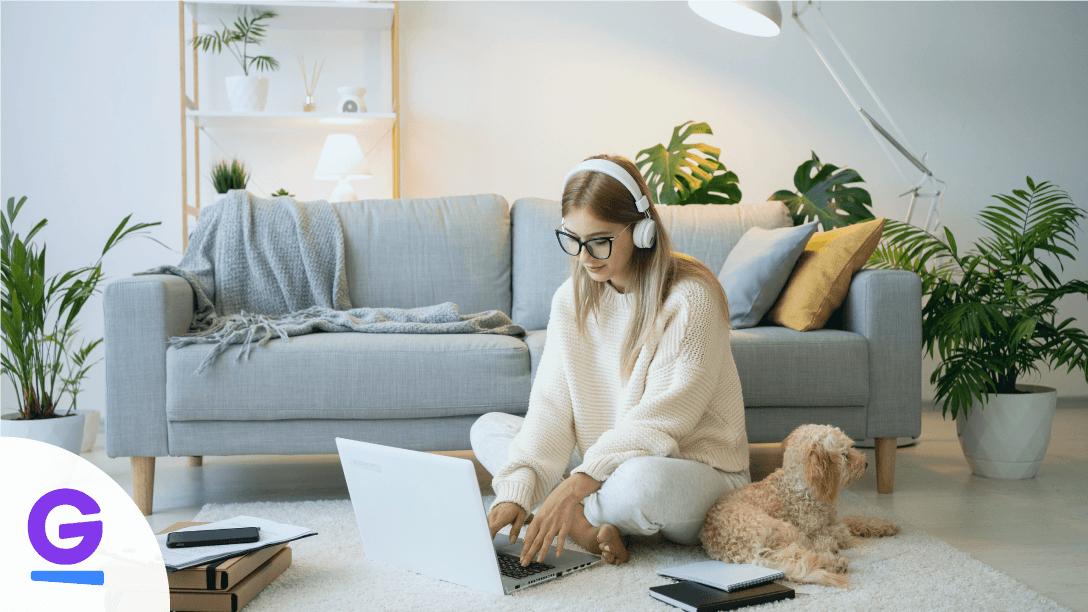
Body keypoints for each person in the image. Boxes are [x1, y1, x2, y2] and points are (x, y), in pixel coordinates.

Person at [470, 154, 750, 568]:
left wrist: (569, 489)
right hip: (606, 461)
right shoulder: (571, 299)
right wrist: (513, 493)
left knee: (642, 483)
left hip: (689, 469)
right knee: (489, 428)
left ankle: (572, 514)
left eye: (599, 240)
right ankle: (581, 519)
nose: (584, 257)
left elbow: (658, 423)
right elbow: (550, 409)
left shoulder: (691, 300)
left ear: (642, 231)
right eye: (572, 239)